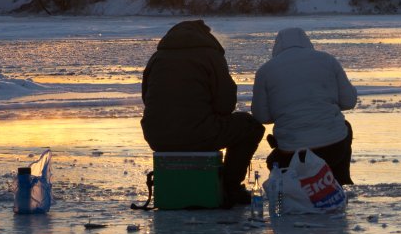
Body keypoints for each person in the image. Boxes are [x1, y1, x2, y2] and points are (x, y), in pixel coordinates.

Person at [141, 20, 264, 206]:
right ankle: (230, 187)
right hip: (199, 134)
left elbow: (146, 97)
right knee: (250, 127)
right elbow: (225, 105)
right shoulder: (211, 56)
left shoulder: (157, 58)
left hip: (157, 137)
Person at [251, 27, 357, 184]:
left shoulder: (265, 71)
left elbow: (261, 116)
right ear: (307, 42)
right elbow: (349, 101)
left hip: (292, 154)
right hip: (334, 149)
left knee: (272, 161)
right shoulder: (327, 60)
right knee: (344, 127)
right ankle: (341, 181)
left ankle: (296, 190)